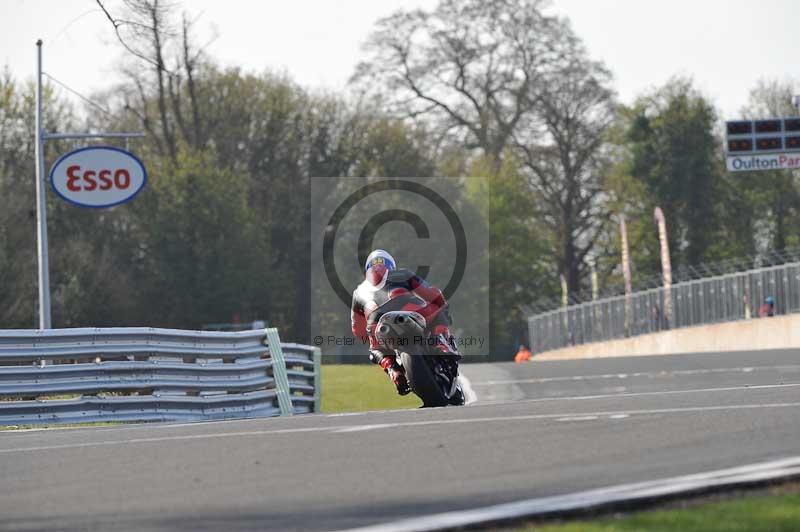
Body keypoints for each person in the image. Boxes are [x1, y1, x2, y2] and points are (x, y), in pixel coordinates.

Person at [351, 249, 459, 395]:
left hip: (377, 323)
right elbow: (432, 293)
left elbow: (357, 329)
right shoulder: (402, 273)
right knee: (439, 308)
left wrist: (369, 337)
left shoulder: (358, 292)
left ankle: (394, 371)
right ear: (390, 265)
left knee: (375, 349)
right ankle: (440, 344)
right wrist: (441, 303)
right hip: (409, 308)